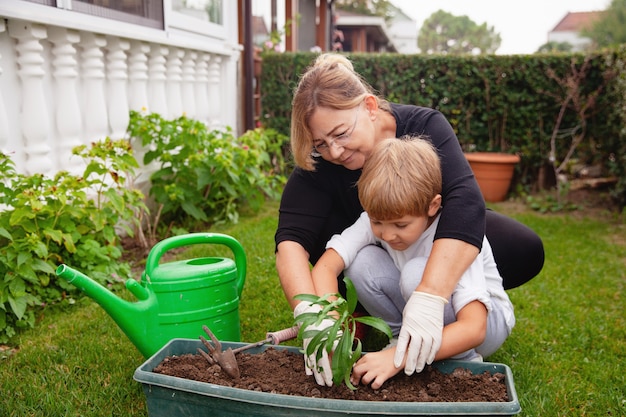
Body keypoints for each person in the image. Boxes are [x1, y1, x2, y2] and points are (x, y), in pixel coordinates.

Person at [275, 53, 543, 386]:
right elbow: (301, 247)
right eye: (321, 144)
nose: (334, 152)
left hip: (477, 323)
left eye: (341, 134)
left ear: (370, 108)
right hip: (401, 264)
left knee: (420, 272)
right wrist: (317, 314)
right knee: (362, 261)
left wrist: (427, 304)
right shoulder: (373, 216)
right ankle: (404, 332)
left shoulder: (427, 142)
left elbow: (465, 206)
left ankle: (447, 349)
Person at [310, 137, 515, 389]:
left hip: (485, 326)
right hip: (426, 310)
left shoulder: (454, 236)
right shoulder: (381, 217)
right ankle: (401, 338)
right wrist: (329, 323)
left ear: (432, 206)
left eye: (401, 225)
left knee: (417, 273)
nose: (386, 234)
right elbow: (326, 267)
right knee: (361, 263)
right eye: (377, 223)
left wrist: (397, 360)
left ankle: (460, 361)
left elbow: (474, 328)